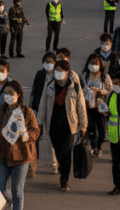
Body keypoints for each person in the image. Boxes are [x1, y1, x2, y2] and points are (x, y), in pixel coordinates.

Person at [0, 81, 40, 210]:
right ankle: (12, 202)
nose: (8, 96)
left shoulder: (27, 112)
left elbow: (36, 131)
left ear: (19, 95)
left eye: (11, 93)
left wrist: (27, 135)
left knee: (17, 189)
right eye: (6, 93)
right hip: (2, 156)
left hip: (21, 157)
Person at [37, 60, 88, 191]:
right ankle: (62, 170)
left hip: (69, 127)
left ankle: (64, 178)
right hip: (53, 126)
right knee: (59, 153)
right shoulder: (50, 85)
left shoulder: (74, 86)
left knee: (66, 152)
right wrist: (39, 122)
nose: (58, 73)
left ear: (67, 72)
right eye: (56, 70)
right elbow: (43, 103)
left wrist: (83, 125)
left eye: (61, 71)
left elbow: (81, 106)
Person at [81, 54, 112, 158]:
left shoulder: (105, 77)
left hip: (100, 108)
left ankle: (99, 146)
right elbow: (79, 91)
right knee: (91, 129)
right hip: (88, 107)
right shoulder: (84, 77)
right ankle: (94, 148)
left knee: (102, 131)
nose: (93, 65)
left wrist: (103, 92)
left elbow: (111, 91)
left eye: (95, 63)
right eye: (91, 63)